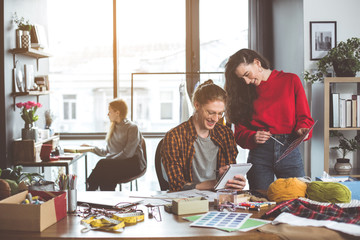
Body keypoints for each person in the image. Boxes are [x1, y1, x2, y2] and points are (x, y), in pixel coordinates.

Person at [224, 48, 314, 190]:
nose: (246, 82)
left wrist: (303, 129)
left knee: (297, 200)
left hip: (289, 150)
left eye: (247, 75)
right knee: (260, 202)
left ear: (257, 63)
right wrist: (253, 136)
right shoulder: (243, 92)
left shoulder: (291, 80)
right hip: (259, 154)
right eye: (242, 79)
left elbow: (305, 118)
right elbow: (239, 134)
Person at [161, 79, 246, 192]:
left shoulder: (225, 134)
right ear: (197, 105)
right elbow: (177, 184)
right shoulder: (174, 137)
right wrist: (215, 183)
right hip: (188, 201)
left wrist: (235, 181)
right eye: (211, 112)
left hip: (219, 199)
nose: (216, 119)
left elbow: (228, 178)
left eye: (220, 113)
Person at [83, 99, 146, 191]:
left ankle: (91, 190)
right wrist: (91, 148)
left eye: (109, 111)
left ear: (117, 112)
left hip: (133, 164)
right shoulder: (114, 128)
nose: (108, 114)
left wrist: (109, 161)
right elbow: (107, 152)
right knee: (107, 175)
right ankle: (104, 199)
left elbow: (128, 153)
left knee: (104, 165)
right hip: (117, 164)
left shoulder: (132, 127)